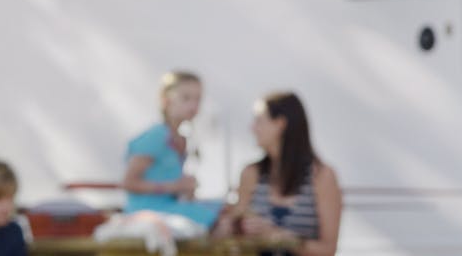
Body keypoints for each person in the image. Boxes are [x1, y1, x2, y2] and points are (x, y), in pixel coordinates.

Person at [215, 92, 341, 256]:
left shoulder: (322, 176)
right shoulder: (251, 173)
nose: (252, 128)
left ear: (280, 124)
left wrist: (277, 236)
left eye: (259, 120)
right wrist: (231, 225)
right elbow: (232, 233)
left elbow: (328, 250)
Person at [121, 70, 222, 229]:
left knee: (223, 210)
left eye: (198, 99)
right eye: (186, 98)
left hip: (171, 208)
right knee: (218, 221)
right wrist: (175, 186)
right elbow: (129, 183)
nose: (193, 105)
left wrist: (187, 189)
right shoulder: (156, 136)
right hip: (148, 211)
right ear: (166, 100)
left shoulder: (182, 138)